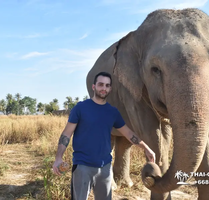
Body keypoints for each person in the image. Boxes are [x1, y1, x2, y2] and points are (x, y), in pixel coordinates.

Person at [53, 71, 155, 200]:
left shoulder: (112, 112)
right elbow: (66, 134)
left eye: (107, 85)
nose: (104, 88)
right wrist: (58, 158)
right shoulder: (80, 108)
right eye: (101, 84)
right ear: (94, 87)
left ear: (110, 89)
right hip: (82, 166)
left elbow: (128, 134)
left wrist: (146, 148)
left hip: (105, 169)